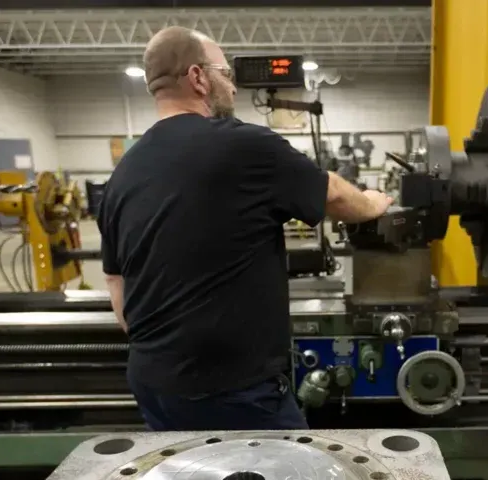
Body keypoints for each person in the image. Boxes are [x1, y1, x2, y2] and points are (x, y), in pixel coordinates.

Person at [96, 26, 394, 432]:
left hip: (153, 384)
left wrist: (164, 349)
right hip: (234, 391)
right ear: (199, 78)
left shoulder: (123, 172)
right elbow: (335, 195)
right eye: (225, 74)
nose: (233, 88)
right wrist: (376, 203)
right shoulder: (244, 146)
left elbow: (115, 279)